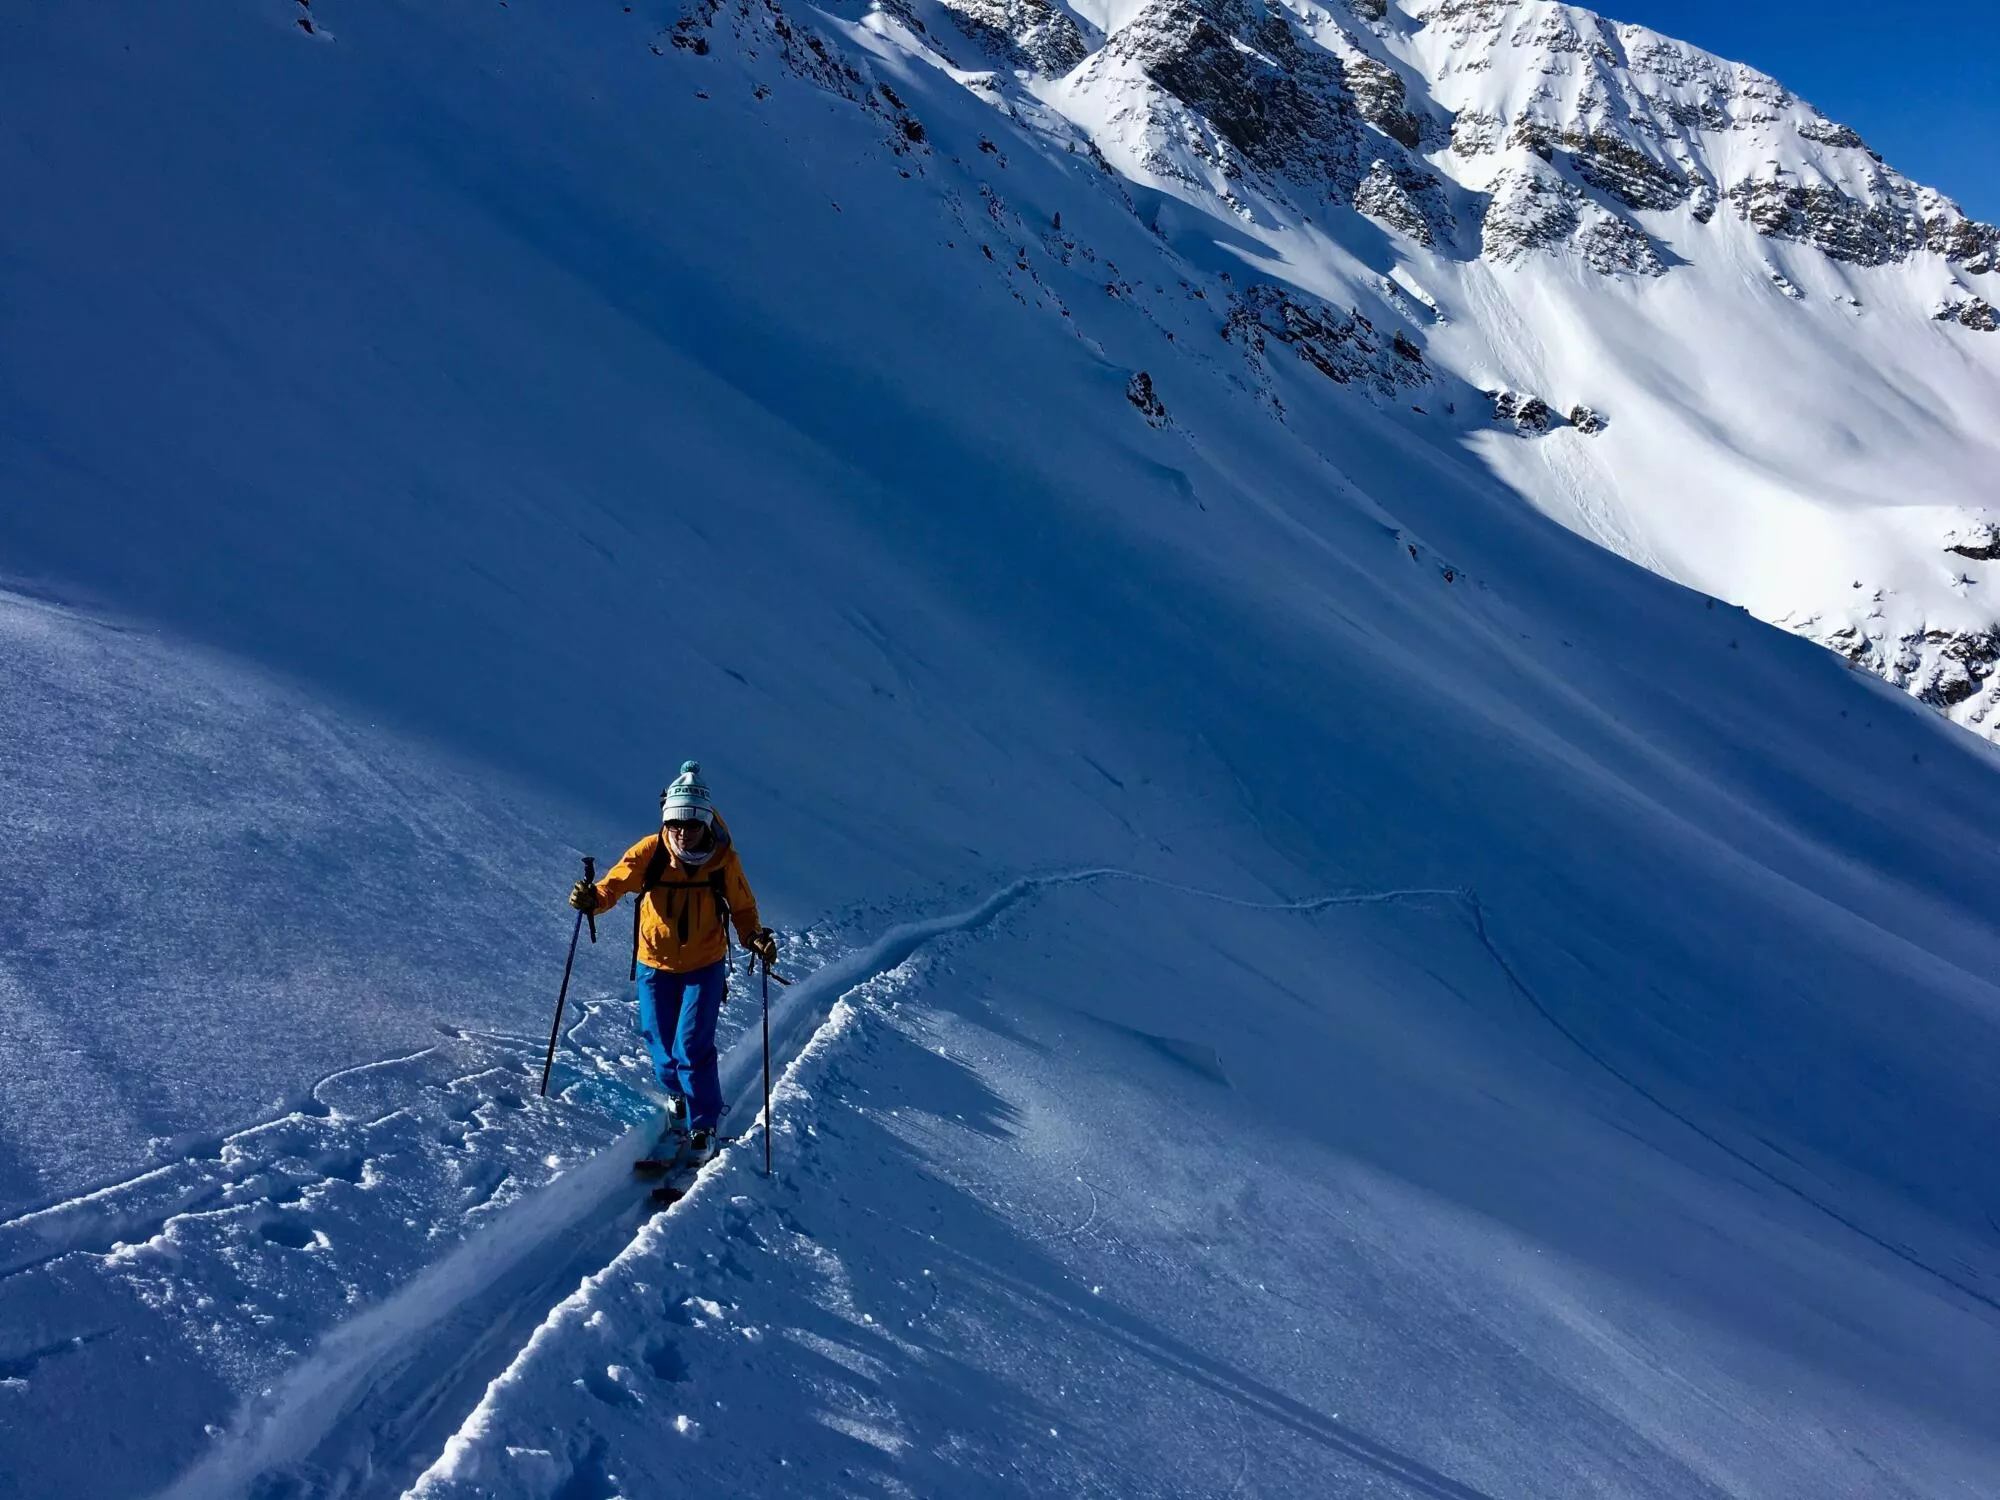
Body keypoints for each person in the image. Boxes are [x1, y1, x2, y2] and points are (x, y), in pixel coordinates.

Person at [570, 761, 778, 1166]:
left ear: (705, 820)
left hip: (704, 964)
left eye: (692, 821)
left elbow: (743, 909)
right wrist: (591, 899)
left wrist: (755, 938)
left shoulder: (723, 862)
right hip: (654, 963)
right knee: (658, 1041)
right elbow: (614, 884)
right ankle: (677, 1095)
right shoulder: (650, 852)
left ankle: (703, 1123)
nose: (684, 830)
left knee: (692, 1044)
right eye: (676, 821)